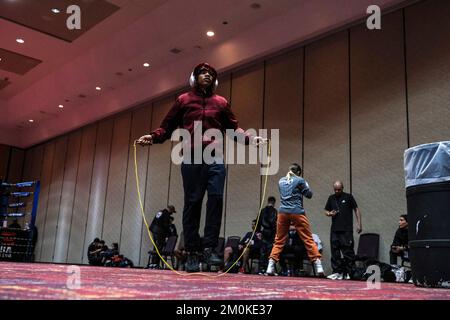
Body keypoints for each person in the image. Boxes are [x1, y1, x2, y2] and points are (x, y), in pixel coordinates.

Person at [137, 63, 265, 272]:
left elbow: (233, 129)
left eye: (210, 74)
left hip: (215, 158)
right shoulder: (183, 100)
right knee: (193, 203)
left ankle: (209, 250)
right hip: (192, 157)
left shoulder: (221, 102)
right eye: (202, 73)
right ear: (194, 78)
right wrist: (152, 137)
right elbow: (167, 127)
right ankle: (193, 253)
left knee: (215, 199)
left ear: (214, 81)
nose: (207, 75)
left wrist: (251, 139)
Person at [265, 164, 324, 276]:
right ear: (298, 172)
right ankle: (319, 266)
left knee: (279, 240)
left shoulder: (281, 180)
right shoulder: (300, 180)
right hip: (297, 212)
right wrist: (306, 185)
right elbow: (309, 195)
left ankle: (270, 266)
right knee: (308, 239)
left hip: (282, 212)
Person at [324, 181, 362, 280]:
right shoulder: (331, 198)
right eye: (335, 189)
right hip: (334, 230)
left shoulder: (348, 197)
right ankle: (337, 272)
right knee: (335, 252)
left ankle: (350, 272)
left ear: (343, 188)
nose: (337, 191)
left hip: (346, 230)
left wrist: (359, 223)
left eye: (339, 189)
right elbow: (326, 211)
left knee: (348, 252)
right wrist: (329, 214)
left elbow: (356, 209)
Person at [148, 205, 176, 269]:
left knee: (155, 247)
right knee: (159, 248)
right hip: (159, 231)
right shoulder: (166, 214)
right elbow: (165, 225)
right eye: (172, 212)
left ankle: (153, 263)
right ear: (170, 210)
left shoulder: (160, 212)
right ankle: (156, 264)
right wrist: (169, 234)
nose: (171, 213)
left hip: (153, 230)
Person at [258, 196, 277, 274]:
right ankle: (268, 268)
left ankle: (261, 269)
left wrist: (258, 232)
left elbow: (258, 222)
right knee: (270, 251)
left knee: (263, 251)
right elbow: (274, 223)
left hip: (264, 232)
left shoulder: (262, 210)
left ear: (268, 201)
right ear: (274, 203)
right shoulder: (275, 211)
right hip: (271, 232)